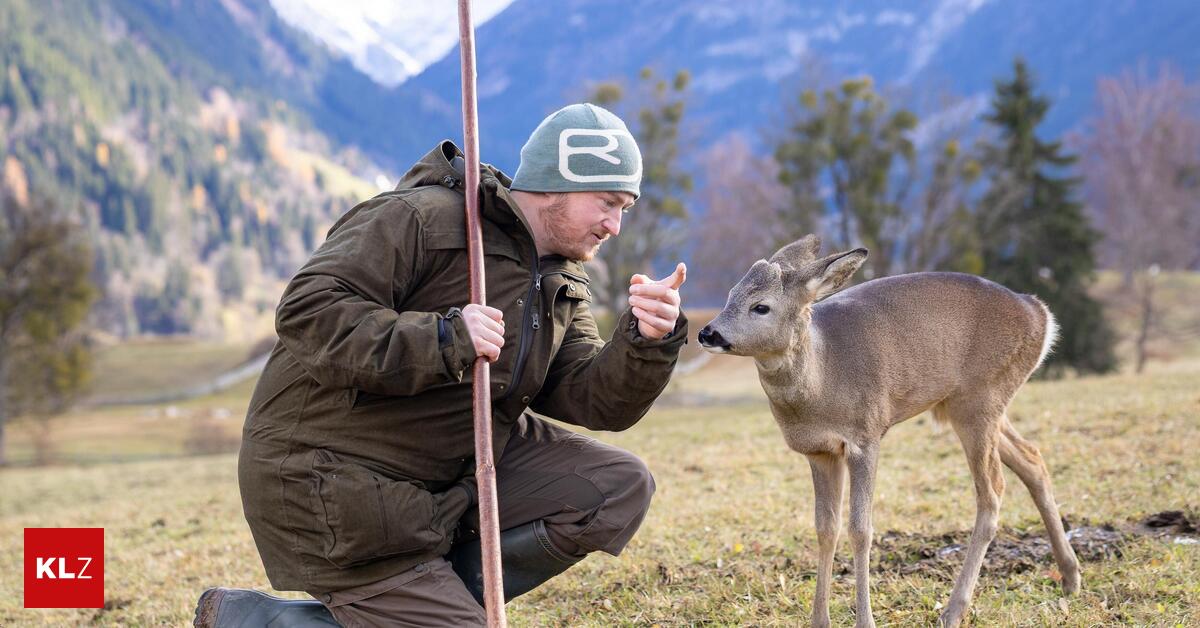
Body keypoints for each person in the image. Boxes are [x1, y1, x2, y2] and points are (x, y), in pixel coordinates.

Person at [194, 103, 689, 627]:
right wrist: (445, 337)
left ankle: (420, 605)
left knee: (615, 486)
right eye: (607, 202)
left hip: (443, 477)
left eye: (625, 209)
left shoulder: (557, 276)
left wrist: (646, 340)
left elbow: (588, 396)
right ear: (554, 184)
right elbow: (308, 311)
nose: (614, 225)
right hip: (334, 481)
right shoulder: (421, 219)